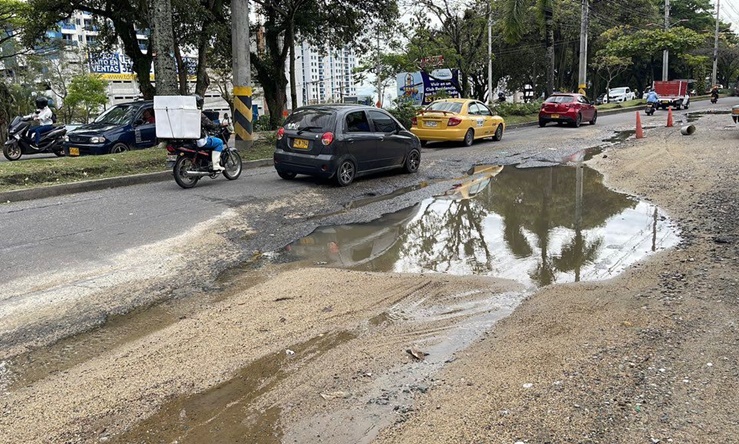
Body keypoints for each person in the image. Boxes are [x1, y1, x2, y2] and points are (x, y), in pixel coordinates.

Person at [194, 94, 225, 171]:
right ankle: (215, 165)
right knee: (219, 142)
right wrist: (219, 125)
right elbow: (209, 124)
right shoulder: (198, 114)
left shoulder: (183, 114)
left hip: (189, 141)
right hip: (200, 140)